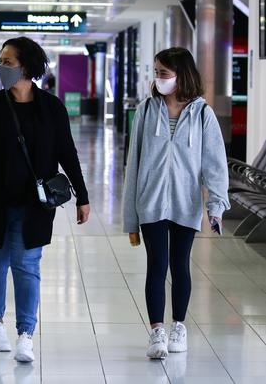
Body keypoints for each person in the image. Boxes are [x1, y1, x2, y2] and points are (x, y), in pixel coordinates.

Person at [0, 37, 90, 363]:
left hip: (34, 205)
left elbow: (67, 153)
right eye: (1, 60)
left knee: (26, 267)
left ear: (26, 66)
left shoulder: (51, 108)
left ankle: (26, 333)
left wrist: (83, 196)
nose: (1, 67)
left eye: (7, 61)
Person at [122, 47, 230, 360]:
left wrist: (216, 206)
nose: (159, 79)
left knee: (180, 266)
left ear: (181, 74)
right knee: (157, 265)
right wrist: (131, 219)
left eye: (164, 73)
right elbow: (135, 163)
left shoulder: (202, 113)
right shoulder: (146, 109)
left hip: (186, 203)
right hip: (151, 202)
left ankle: (178, 326)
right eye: (156, 72)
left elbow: (214, 164)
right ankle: (157, 331)